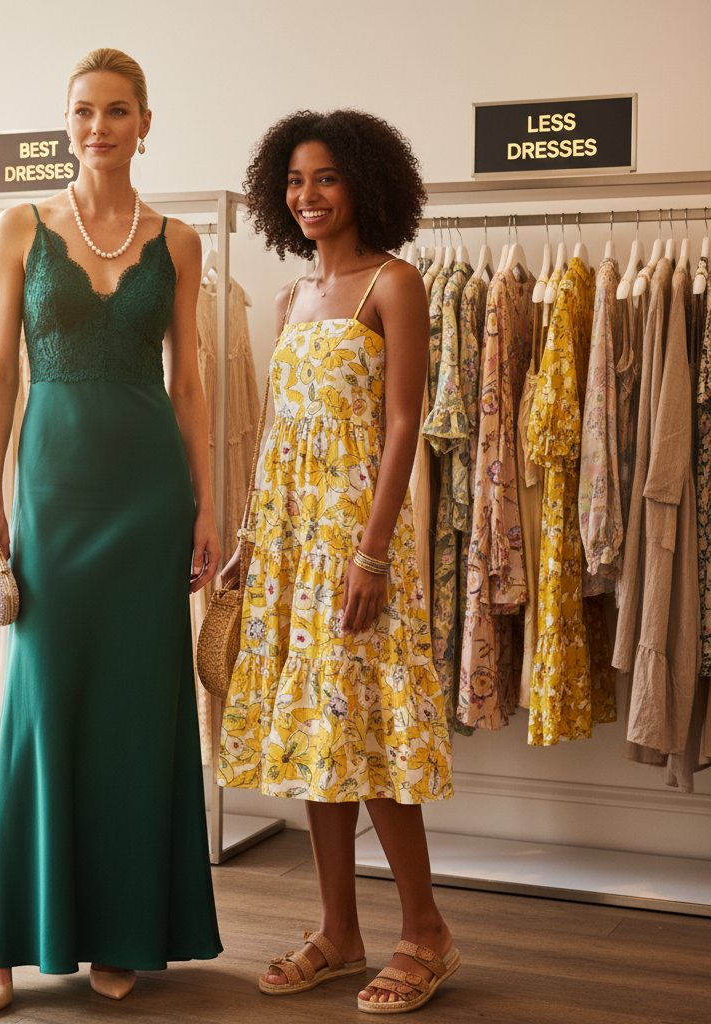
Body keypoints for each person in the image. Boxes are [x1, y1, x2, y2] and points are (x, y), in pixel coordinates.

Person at [0, 48, 222, 1015]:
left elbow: (189, 382)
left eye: (117, 111)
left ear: (145, 122)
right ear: (65, 123)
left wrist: (205, 502)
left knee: (136, 714)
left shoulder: (180, 240)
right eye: (83, 111)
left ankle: (117, 926)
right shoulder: (20, 227)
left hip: (150, 490)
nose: (98, 126)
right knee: (40, 706)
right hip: (55, 487)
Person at [218, 110, 458, 1014]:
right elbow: (283, 429)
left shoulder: (392, 285)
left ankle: (426, 931)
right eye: (293, 182)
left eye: (324, 178)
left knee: (372, 732)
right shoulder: (288, 300)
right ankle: (340, 931)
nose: (308, 197)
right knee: (323, 738)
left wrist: (372, 550)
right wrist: (249, 537)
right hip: (289, 539)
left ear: (363, 182)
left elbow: (404, 426)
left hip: (356, 542)